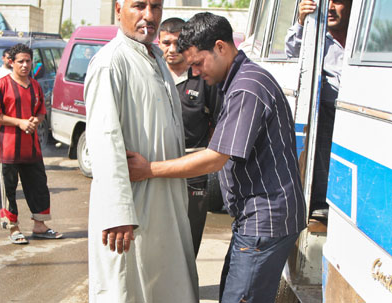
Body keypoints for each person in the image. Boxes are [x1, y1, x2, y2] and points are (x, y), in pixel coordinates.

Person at [127, 12, 306, 303]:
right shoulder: (235, 82)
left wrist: (149, 169)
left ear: (221, 47)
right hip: (255, 216)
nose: (195, 73)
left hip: (265, 219)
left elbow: (215, 158)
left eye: (198, 63)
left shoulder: (247, 87)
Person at [83, 0, 198, 302]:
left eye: (155, 6)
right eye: (139, 5)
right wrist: (117, 211)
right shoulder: (111, 62)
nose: (149, 15)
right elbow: (104, 139)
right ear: (118, 9)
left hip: (167, 200)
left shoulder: (157, 58)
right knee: (128, 288)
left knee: (167, 283)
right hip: (131, 211)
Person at [0, 44, 63, 245]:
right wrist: (19, 122)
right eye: (20, 61)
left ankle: (40, 226)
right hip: (8, 150)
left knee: (38, 187)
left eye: (28, 61)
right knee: (8, 190)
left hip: (32, 150)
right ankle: (13, 227)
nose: (25, 65)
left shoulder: (35, 86)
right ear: (11, 62)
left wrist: (35, 121)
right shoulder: (1, 85)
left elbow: (40, 112)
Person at [158, 17, 220, 257]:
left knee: (189, 239)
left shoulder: (204, 79)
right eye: (166, 43)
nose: (172, 50)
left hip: (193, 172)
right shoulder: (154, 77)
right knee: (158, 237)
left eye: (177, 43)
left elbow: (217, 122)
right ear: (159, 43)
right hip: (157, 169)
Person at [285, 0, 352, 217]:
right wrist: (302, 22)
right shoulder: (314, 35)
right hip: (327, 111)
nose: (330, 7)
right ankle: (321, 201)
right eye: (327, 2)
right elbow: (294, 58)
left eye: (338, 1)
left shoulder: (364, 39)